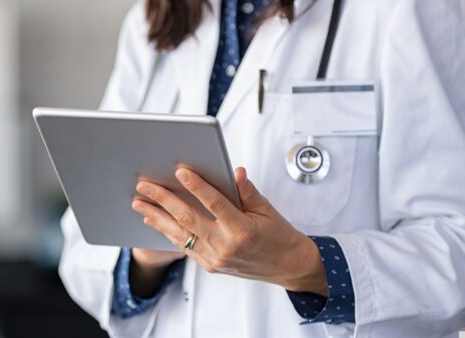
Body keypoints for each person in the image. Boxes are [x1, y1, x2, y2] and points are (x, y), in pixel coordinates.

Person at [58, 0, 465, 337]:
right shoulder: (153, 22)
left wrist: (305, 264)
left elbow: (455, 246)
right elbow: (82, 248)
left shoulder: (404, 9)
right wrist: (146, 256)